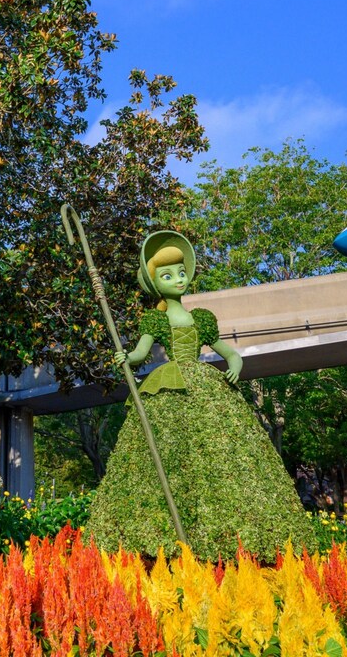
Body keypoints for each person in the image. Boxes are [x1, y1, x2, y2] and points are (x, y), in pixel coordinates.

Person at [85, 231, 314, 559]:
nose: (177, 280)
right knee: (171, 445)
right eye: (167, 276)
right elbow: (141, 354)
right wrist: (127, 357)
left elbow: (226, 351)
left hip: (205, 383)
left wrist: (235, 361)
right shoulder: (157, 319)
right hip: (169, 382)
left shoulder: (202, 319)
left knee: (214, 447)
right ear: (155, 283)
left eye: (180, 273)